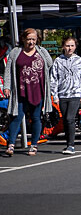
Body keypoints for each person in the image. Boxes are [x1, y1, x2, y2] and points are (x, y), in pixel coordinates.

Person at [2, 28, 54, 157]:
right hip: (20, 91)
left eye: (34, 40)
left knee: (36, 118)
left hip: (37, 90)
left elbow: (50, 64)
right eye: (29, 39)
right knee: (16, 117)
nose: (31, 42)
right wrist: (7, 87)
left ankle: (34, 145)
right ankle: (11, 144)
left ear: (37, 40)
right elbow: (8, 70)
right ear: (23, 39)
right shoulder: (15, 52)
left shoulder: (41, 52)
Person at [50, 37, 81, 155]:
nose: (69, 48)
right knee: (65, 120)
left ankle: (71, 145)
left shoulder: (79, 61)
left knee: (69, 118)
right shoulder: (58, 61)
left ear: (75, 47)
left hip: (75, 94)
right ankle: (68, 143)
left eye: (72, 46)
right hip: (62, 94)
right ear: (63, 47)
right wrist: (54, 95)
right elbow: (53, 79)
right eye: (67, 45)